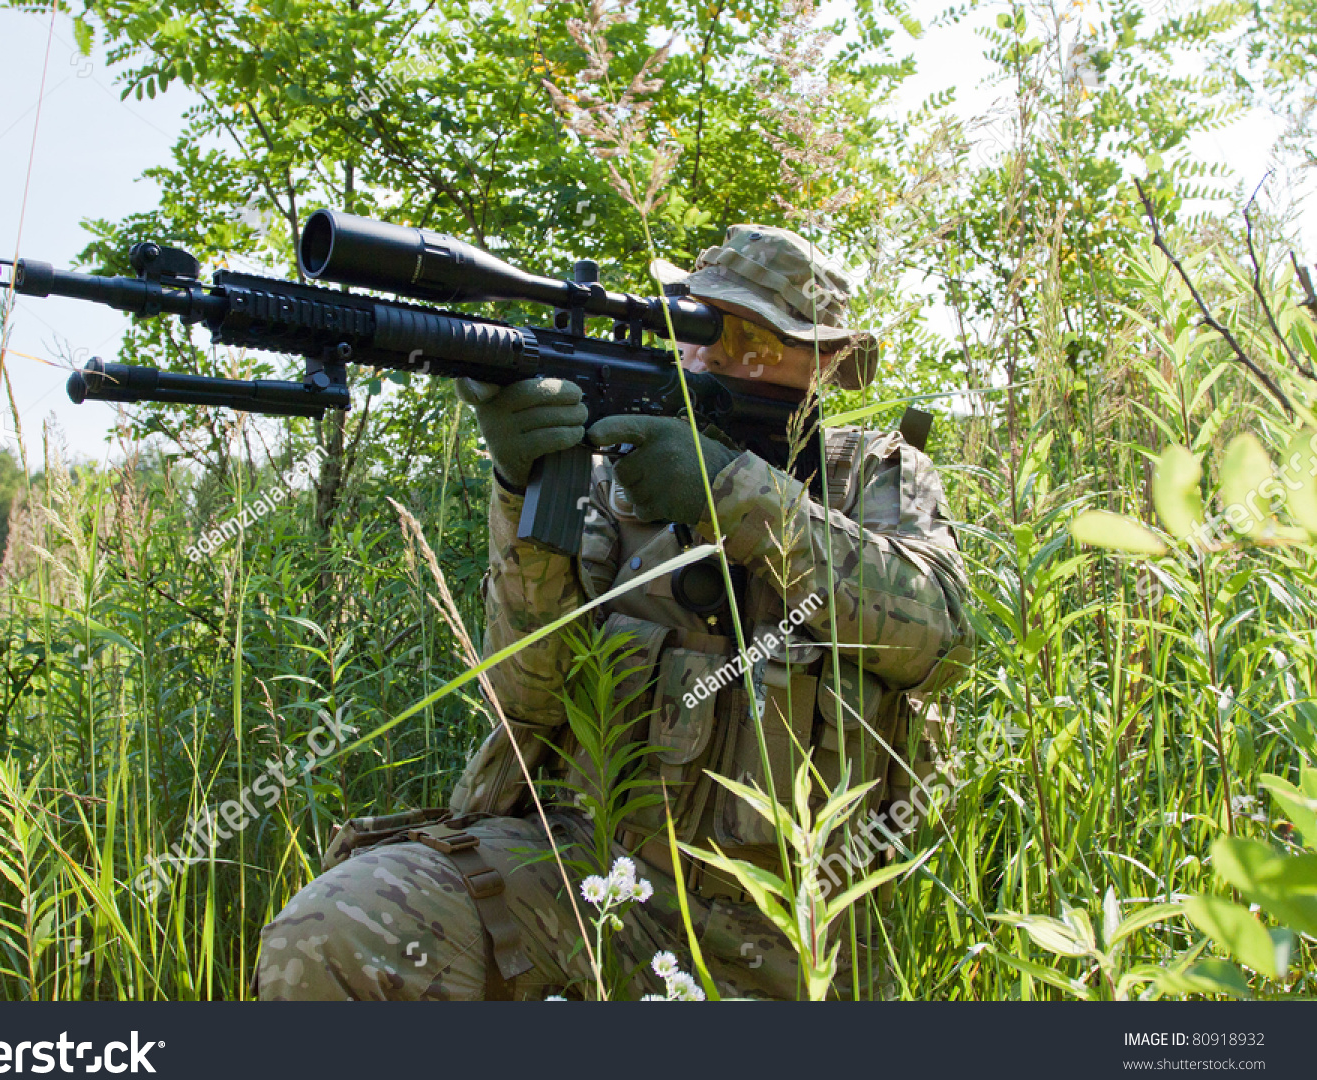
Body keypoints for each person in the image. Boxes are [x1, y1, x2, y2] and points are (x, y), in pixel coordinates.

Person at [257, 224, 973, 1000]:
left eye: (752, 336)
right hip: (584, 880)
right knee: (335, 932)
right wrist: (518, 483)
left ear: (825, 360)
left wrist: (733, 493)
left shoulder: (871, 473)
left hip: (780, 941)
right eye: (699, 326)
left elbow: (943, 633)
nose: (715, 353)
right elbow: (527, 691)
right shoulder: (615, 482)